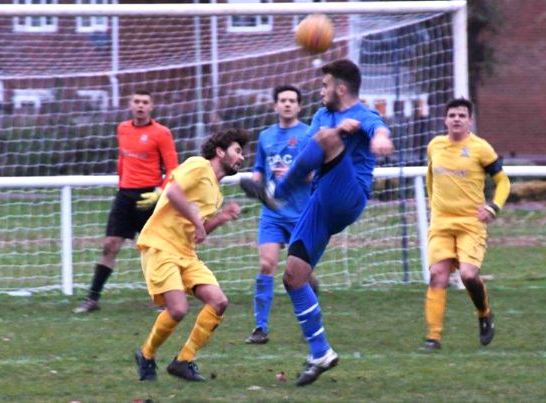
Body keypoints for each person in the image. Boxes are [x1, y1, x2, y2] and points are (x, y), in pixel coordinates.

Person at [241, 59, 394, 386]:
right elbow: (308, 156)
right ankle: (320, 352)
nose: (320, 91)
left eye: (325, 85)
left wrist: (380, 139)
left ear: (340, 88)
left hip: (348, 195)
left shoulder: (364, 115)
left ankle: (275, 193)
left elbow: (377, 129)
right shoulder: (323, 116)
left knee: (327, 137)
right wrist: (336, 132)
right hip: (319, 200)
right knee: (294, 276)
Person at [134, 128, 247, 382]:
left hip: (185, 252)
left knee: (218, 301)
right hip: (160, 245)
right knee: (178, 309)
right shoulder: (198, 166)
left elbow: (200, 232)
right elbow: (172, 192)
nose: (242, 158)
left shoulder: (217, 192)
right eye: (237, 151)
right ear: (220, 151)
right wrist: (196, 220)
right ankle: (146, 354)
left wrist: (222, 217)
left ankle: (184, 360)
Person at [73, 90, 178, 314]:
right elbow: (122, 159)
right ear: (130, 105)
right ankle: (92, 298)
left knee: (154, 250)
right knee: (110, 244)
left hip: (149, 196)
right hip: (125, 196)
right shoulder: (122, 128)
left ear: (151, 107)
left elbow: (172, 168)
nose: (140, 106)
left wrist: (160, 191)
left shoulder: (161, 133)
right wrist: (122, 182)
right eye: (137, 101)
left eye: (145, 102)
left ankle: (162, 300)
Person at [419, 98, 510, 351]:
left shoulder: (481, 149)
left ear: (469, 120)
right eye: (452, 115)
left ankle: (484, 313)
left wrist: (493, 206)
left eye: (461, 115)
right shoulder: (435, 146)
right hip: (441, 222)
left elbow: (503, 182)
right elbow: (430, 179)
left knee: (469, 275)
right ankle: (433, 338)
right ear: (445, 120)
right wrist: (434, 208)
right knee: (438, 274)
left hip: (471, 222)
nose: (456, 119)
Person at [242, 85, 320, 345]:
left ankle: (311, 310)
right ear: (275, 106)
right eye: (283, 100)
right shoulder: (265, 136)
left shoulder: (309, 134)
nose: (287, 104)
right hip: (273, 214)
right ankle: (260, 328)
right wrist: (256, 185)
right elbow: (259, 169)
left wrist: (291, 175)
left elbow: (312, 173)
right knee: (267, 264)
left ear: (299, 106)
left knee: (301, 274)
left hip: (301, 214)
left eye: (292, 101)